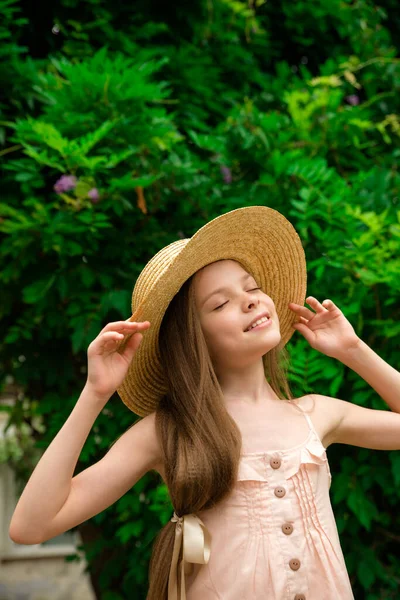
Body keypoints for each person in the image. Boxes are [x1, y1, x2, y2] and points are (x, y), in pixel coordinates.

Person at [9, 206, 400, 600]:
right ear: (192, 339)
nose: (250, 302)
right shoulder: (169, 431)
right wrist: (94, 394)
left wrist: (354, 350)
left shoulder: (317, 413)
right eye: (220, 304)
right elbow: (31, 526)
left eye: (252, 288)